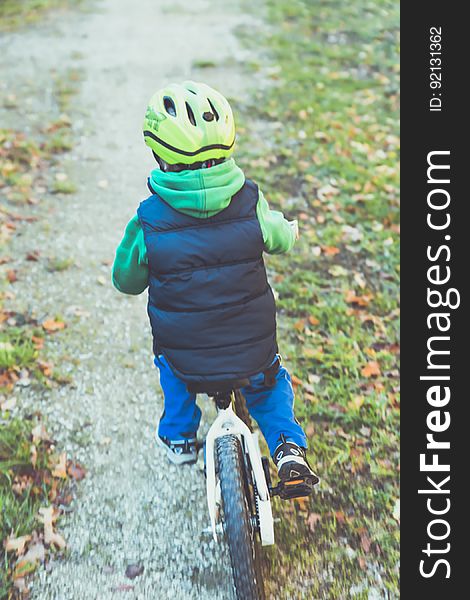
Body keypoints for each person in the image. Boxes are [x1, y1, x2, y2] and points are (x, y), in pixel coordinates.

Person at [112, 81, 319, 496]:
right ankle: (288, 446)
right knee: (268, 384)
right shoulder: (249, 201)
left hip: (185, 350)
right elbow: (279, 238)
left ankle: (180, 437)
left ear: (158, 153)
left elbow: (127, 281)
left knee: (174, 374)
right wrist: (290, 229)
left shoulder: (148, 220)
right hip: (251, 343)